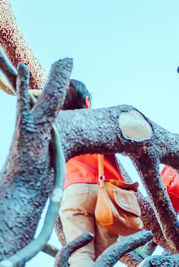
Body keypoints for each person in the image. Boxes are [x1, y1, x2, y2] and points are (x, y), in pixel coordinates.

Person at [59, 80, 124, 266]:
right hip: (109, 194)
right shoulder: (103, 121)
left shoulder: (56, 126)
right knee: (104, 259)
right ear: (87, 102)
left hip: (75, 190)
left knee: (80, 255)